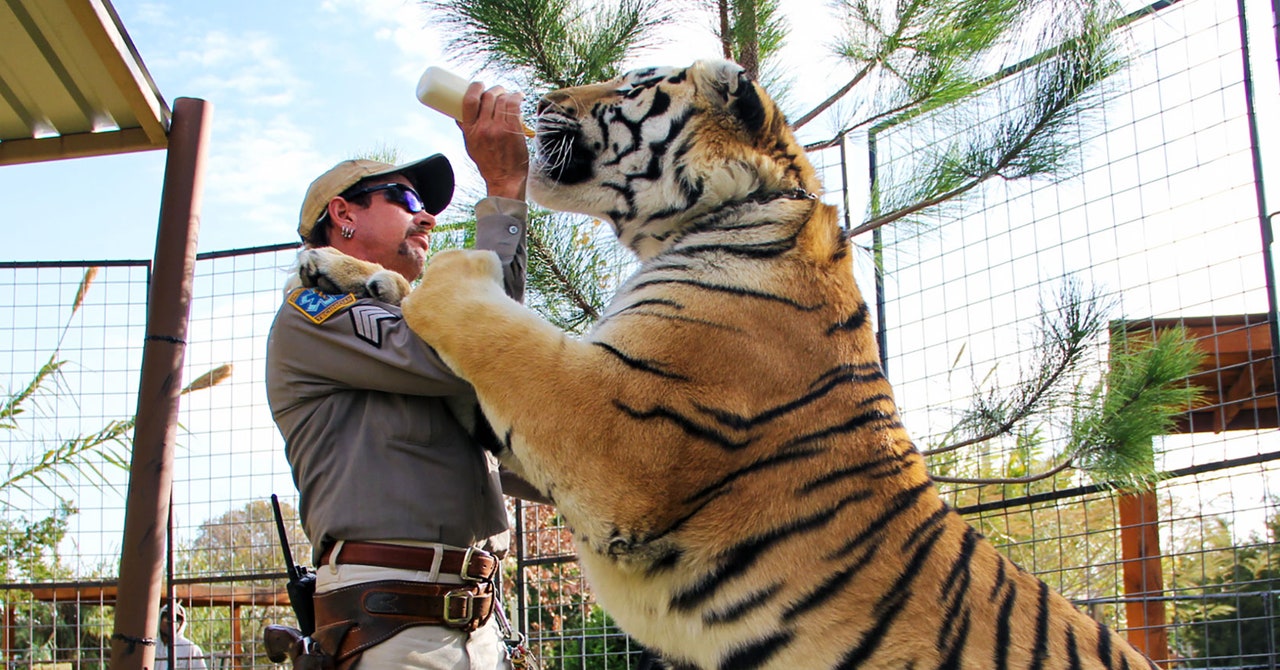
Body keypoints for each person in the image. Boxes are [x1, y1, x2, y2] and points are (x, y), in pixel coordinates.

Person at [266, 81, 540, 670]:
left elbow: (498, 386)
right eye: (404, 197)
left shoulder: (407, 321)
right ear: (342, 214)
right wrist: (503, 193)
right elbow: (473, 348)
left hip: (477, 619)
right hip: (393, 623)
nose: (428, 215)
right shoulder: (315, 312)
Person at [155, 602, 208, 670]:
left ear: (182, 624)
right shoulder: (151, 646)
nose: (170, 622)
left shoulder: (191, 649)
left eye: (176, 620)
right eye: (166, 618)